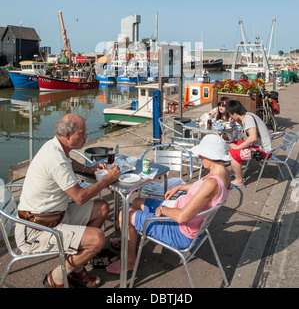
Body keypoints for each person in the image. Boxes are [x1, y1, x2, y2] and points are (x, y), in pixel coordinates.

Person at [15, 113, 121, 288]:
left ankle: (76, 267)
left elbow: (69, 161)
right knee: (97, 239)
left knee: (101, 208)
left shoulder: (55, 147)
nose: (86, 136)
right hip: (38, 229)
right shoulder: (55, 159)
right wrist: (106, 180)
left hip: (56, 215)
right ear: (67, 135)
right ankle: (55, 278)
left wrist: (88, 169)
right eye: (82, 133)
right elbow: (79, 198)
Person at [105, 134, 231, 274]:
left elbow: (182, 217)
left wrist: (163, 209)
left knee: (124, 215)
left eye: (202, 155)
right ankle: (128, 238)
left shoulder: (211, 183)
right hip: (184, 218)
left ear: (211, 155)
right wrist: (179, 187)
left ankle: (129, 261)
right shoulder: (223, 174)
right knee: (136, 202)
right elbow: (202, 190)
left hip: (180, 232)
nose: (199, 158)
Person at [226, 100, 272, 189]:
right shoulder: (248, 116)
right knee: (232, 144)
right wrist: (236, 121)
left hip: (263, 151)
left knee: (233, 153)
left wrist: (238, 147)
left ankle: (239, 180)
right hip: (260, 146)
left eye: (230, 114)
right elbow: (247, 128)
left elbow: (253, 138)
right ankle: (237, 174)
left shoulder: (248, 119)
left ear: (235, 113)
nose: (230, 116)